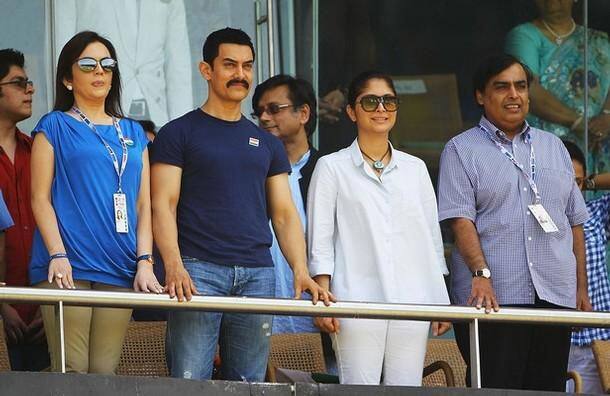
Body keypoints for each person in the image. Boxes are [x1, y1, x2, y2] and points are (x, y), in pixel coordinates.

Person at [151, 27, 332, 382]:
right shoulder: (178, 132)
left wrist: (300, 269)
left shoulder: (268, 144)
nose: (241, 74)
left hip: (257, 273)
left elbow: (283, 214)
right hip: (197, 271)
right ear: (207, 70)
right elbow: (163, 204)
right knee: (190, 382)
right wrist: (173, 265)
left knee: (250, 384)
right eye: (230, 65)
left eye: (247, 66)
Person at [438, 53, 591, 391]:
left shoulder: (555, 148)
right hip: (494, 297)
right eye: (502, 87)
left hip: (554, 294)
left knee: (547, 387)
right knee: (499, 387)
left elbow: (574, 222)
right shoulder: (461, 150)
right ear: (480, 95)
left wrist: (580, 288)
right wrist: (481, 275)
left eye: (520, 86)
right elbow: (460, 219)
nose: (514, 95)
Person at [29, 30, 162, 374]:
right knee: (71, 370)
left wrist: (145, 261)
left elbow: (143, 206)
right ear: (67, 79)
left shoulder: (133, 133)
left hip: (119, 265)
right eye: (87, 64)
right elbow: (39, 198)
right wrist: (57, 255)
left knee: (103, 374)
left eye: (107, 64)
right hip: (67, 263)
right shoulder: (53, 125)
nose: (99, 71)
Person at [308, 70, 451, 386]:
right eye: (370, 101)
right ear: (351, 111)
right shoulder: (331, 167)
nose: (381, 109)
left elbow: (430, 240)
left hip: (412, 299)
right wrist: (322, 297)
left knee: (406, 387)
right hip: (354, 298)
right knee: (358, 386)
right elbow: (319, 241)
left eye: (389, 101)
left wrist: (441, 302)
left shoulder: (414, 169)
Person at [505, 0, 610, 173]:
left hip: (598, 142)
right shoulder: (524, 36)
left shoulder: (598, 41)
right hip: (547, 144)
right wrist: (576, 123)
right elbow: (527, 88)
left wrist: (606, 117)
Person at [54, 0, 193, 127]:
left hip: (158, 115)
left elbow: (178, 66)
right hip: (95, 114)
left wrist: (183, 129)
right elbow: (62, 51)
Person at [0, 48, 49, 371]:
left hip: (44, 312)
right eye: (19, 83)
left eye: (29, 82)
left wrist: (55, 303)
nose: (30, 89)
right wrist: (2, 306)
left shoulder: (39, 151)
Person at [563, 140, 610, 394]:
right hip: (552, 343)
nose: (571, 190)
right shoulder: (531, 218)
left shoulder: (596, 213)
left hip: (598, 346)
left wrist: (590, 182)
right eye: (564, 181)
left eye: (577, 182)